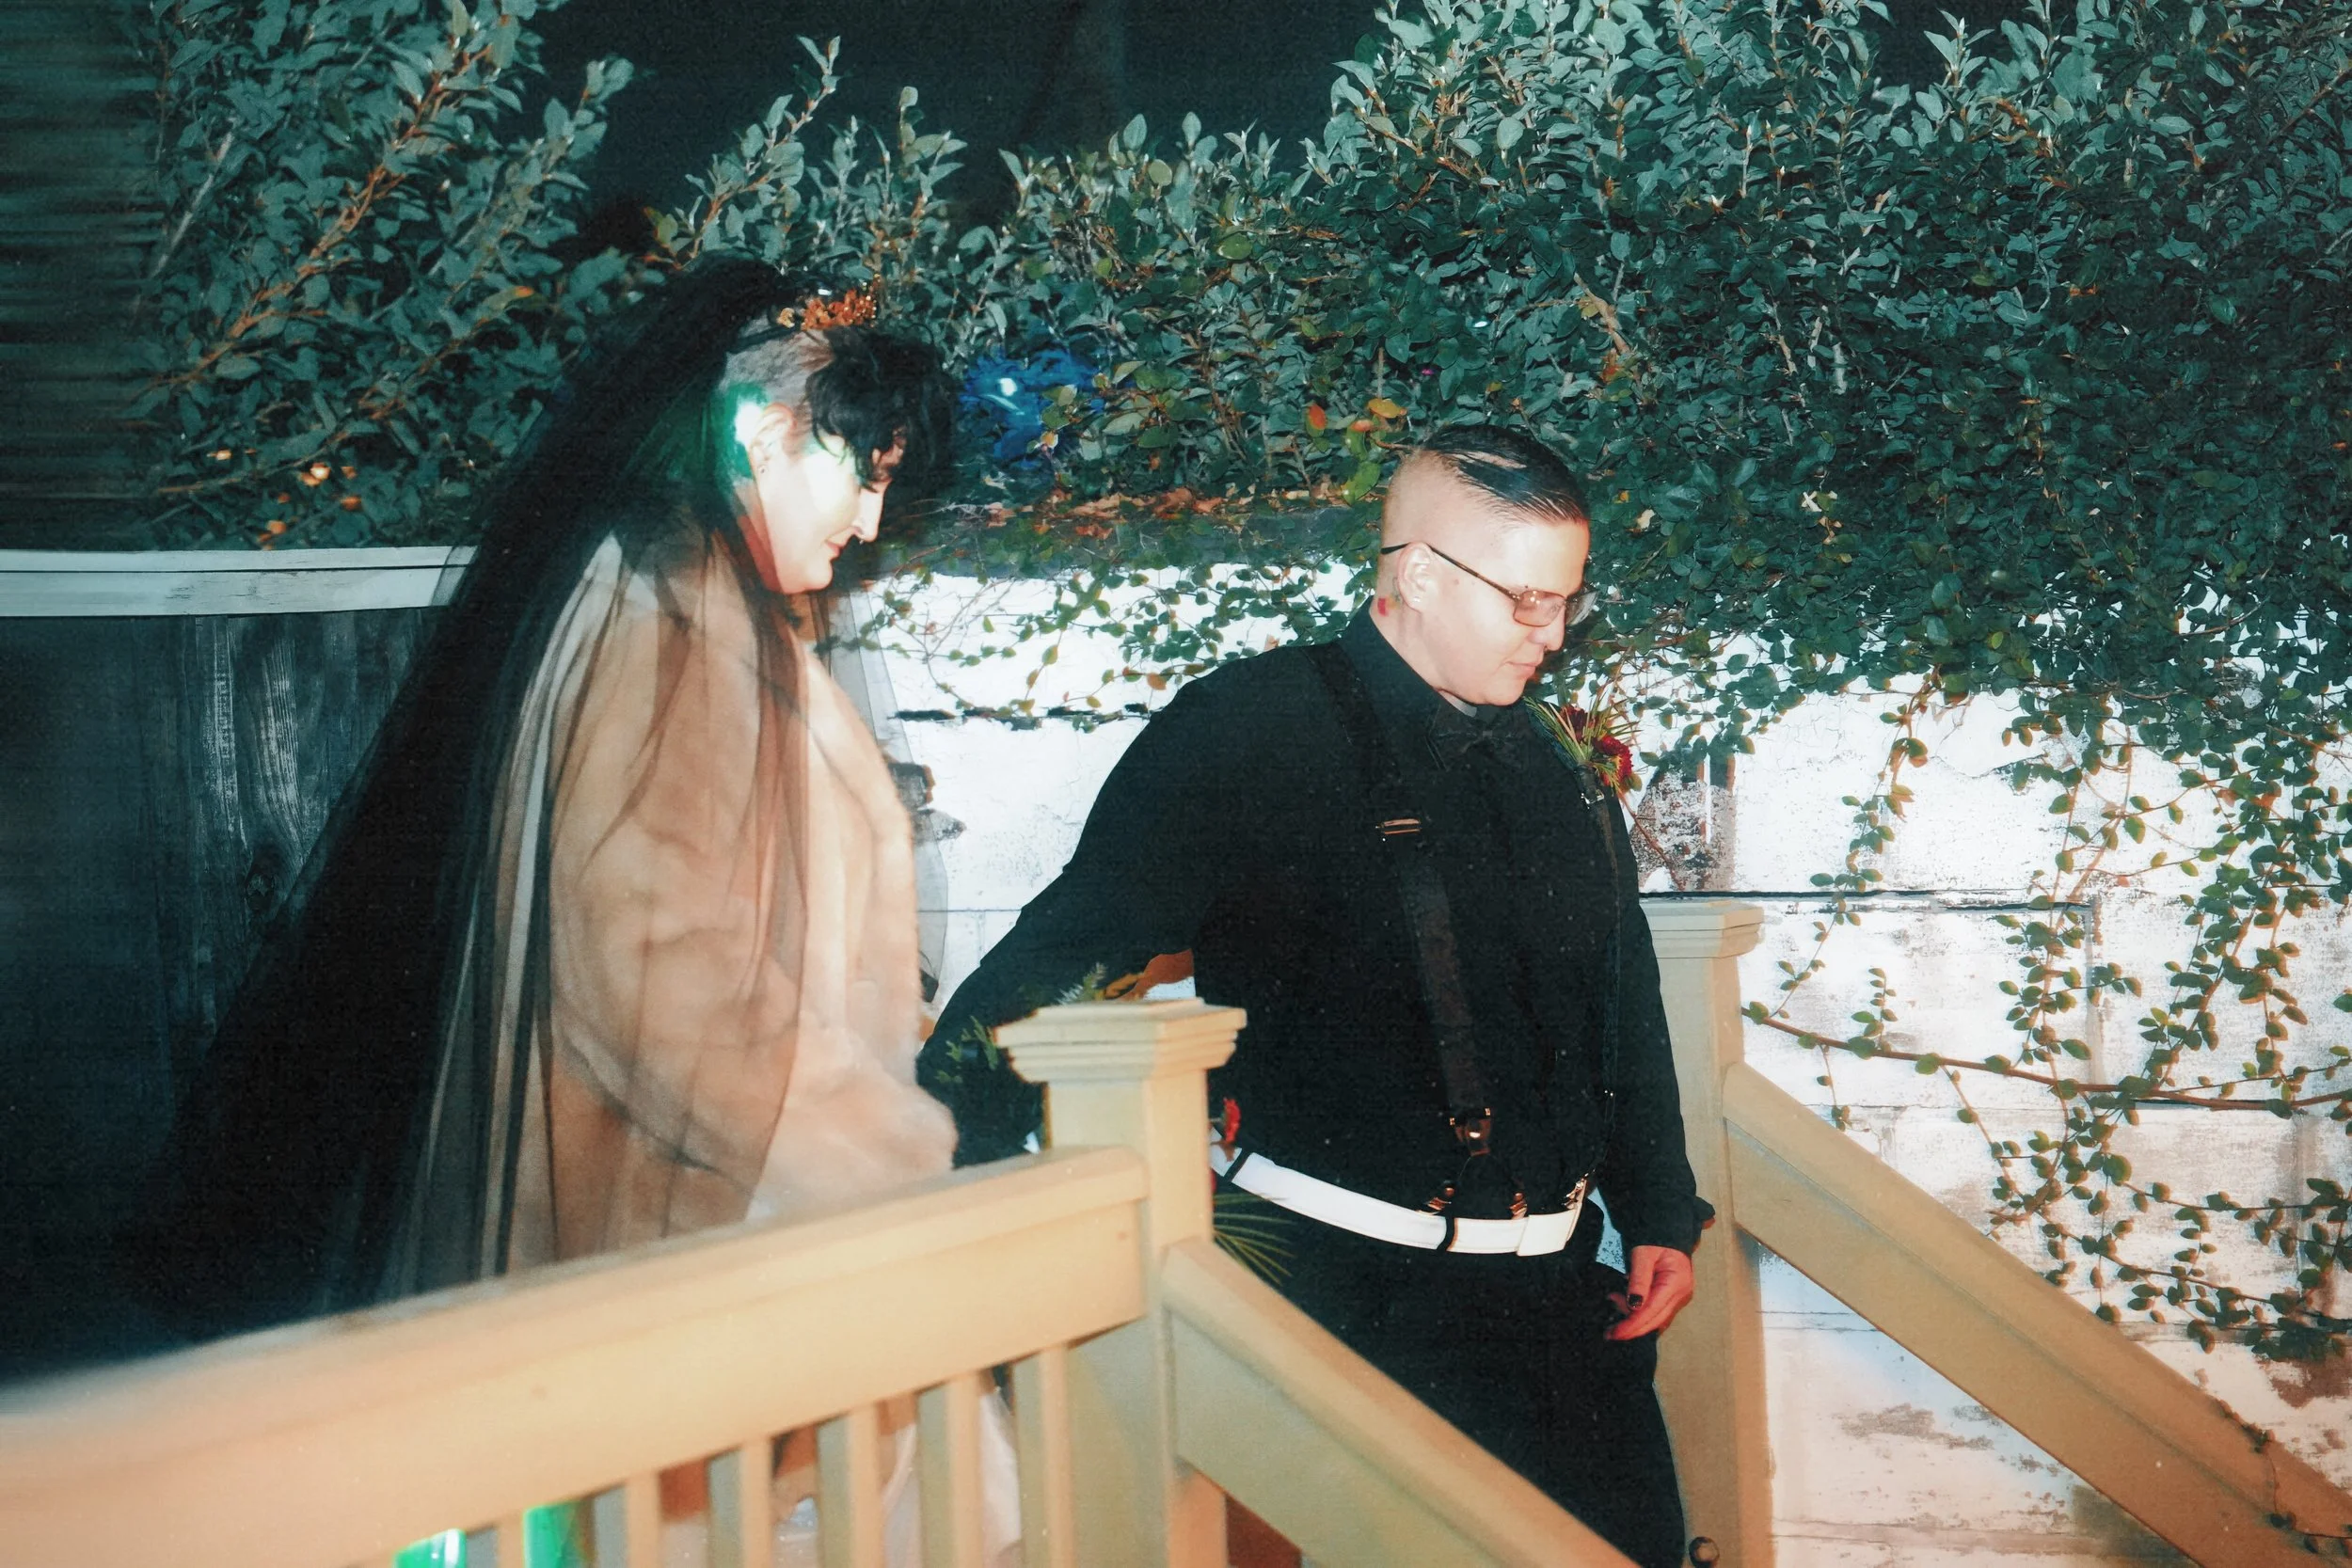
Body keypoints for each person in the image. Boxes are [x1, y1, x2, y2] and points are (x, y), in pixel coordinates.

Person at [918, 425, 1708, 1568]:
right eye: (1528, 601)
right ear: (1419, 574)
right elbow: (1061, 959)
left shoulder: (1552, 756)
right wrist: (951, 1183)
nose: (1552, 634)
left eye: (1566, 602)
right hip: (1342, 1311)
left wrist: (1661, 1209)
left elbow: (1618, 999)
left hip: (1560, 1300)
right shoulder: (1248, 726)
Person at [133, 260, 962, 1337]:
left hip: (702, 1212)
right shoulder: (673, 627)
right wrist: (874, 1146)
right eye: (866, 474)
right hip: (668, 1228)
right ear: (766, 438)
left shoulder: (697, 604)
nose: (874, 518)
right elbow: (647, 962)